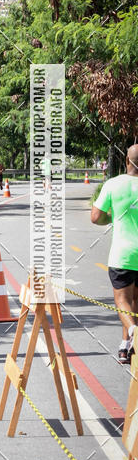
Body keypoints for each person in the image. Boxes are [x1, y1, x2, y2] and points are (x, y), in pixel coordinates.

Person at [91, 145, 138, 364]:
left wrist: (112, 217)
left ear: (127, 160)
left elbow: (96, 217)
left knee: (122, 301)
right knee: (134, 303)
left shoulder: (113, 184)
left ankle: (134, 335)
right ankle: (125, 347)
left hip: (123, 255)